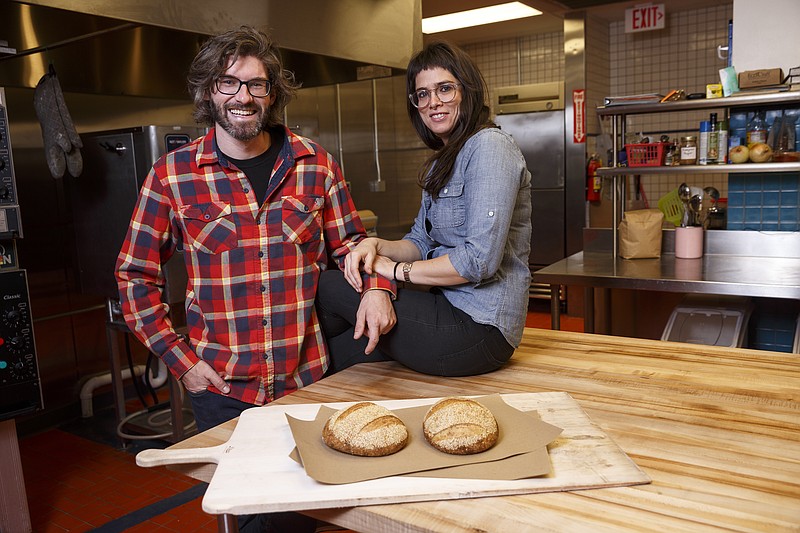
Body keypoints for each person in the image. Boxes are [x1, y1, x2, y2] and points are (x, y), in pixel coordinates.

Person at [115, 25, 396, 531]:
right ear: (208, 92)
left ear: (272, 93)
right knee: (251, 520)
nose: (243, 96)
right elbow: (134, 276)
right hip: (221, 387)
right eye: (228, 83)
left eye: (256, 84)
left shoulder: (317, 165)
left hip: (304, 382)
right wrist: (182, 364)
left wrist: (378, 289)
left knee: (303, 513)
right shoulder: (171, 176)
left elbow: (355, 245)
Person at [317, 41, 531, 377]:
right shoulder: (441, 163)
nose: (433, 103)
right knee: (336, 356)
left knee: (329, 287)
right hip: (444, 308)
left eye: (445, 89)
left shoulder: (490, 148)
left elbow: (479, 261)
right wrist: (377, 246)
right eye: (423, 94)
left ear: (468, 90)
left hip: (479, 329)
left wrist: (394, 272)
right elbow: (419, 241)